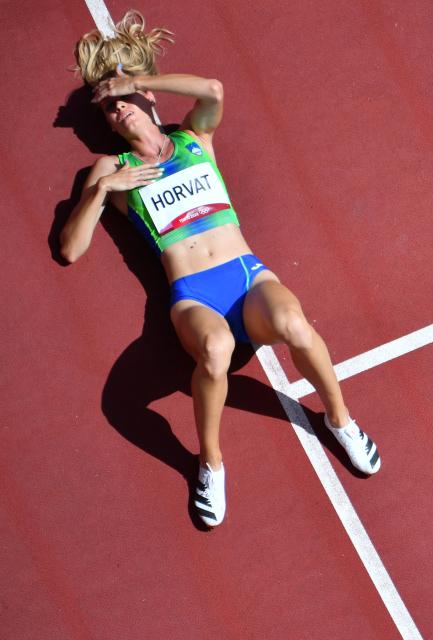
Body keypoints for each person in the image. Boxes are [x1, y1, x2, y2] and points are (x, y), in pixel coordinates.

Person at [63, 11, 381, 528]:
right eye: (107, 109)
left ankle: (340, 421)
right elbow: (70, 250)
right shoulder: (112, 170)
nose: (117, 109)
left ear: (147, 98)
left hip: (247, 276)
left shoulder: (194, 138)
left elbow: (211, 87)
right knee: (214, 351)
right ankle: (210, 462)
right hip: (194, 296)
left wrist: (135, 79)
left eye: (122, 99)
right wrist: (99, 194)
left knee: (294, 324)